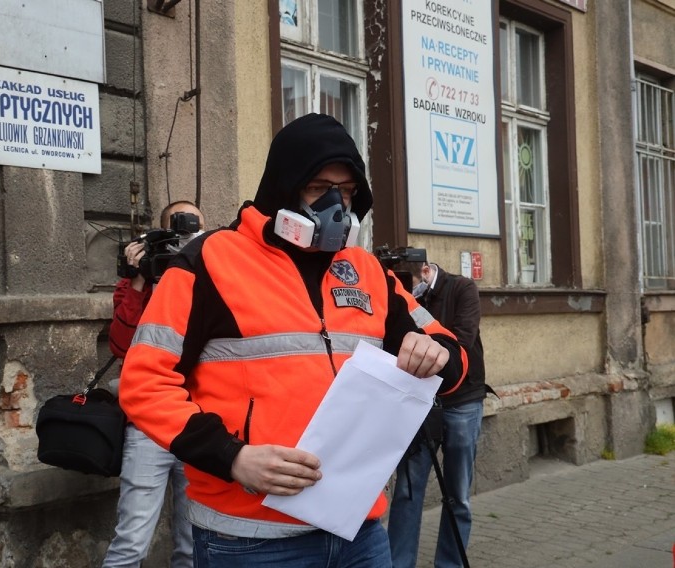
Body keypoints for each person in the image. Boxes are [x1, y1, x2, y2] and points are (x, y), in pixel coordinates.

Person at [118, 113, 469, 567]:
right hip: (250, 540)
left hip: (358, 531)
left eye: (345, 192)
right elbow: (145, 383)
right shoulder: (208, 263)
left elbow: (454, 356)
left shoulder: (366, 270)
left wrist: (437, 354)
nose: (334, 205)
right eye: (318, 187)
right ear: (284, 185)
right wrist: (233, 458)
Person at [101, 201, 204, 568]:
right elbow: (121, 345)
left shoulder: (212, 275)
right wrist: (140, 279)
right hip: (148, 424)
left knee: (194, 545)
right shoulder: (137, 282)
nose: (187, 242)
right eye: (177, 235)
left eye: (195, 232)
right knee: (132, 542)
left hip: (198, 420)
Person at [386, 258, 487, 568]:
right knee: (407, 491)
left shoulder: (462, 288)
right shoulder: (406, 294)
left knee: (458, 495)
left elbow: (463, 341)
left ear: (427, 271)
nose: (409, 288)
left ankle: (450, 563)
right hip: (421, 402)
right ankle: (399, 563)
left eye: (413, 281)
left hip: (463, 402)